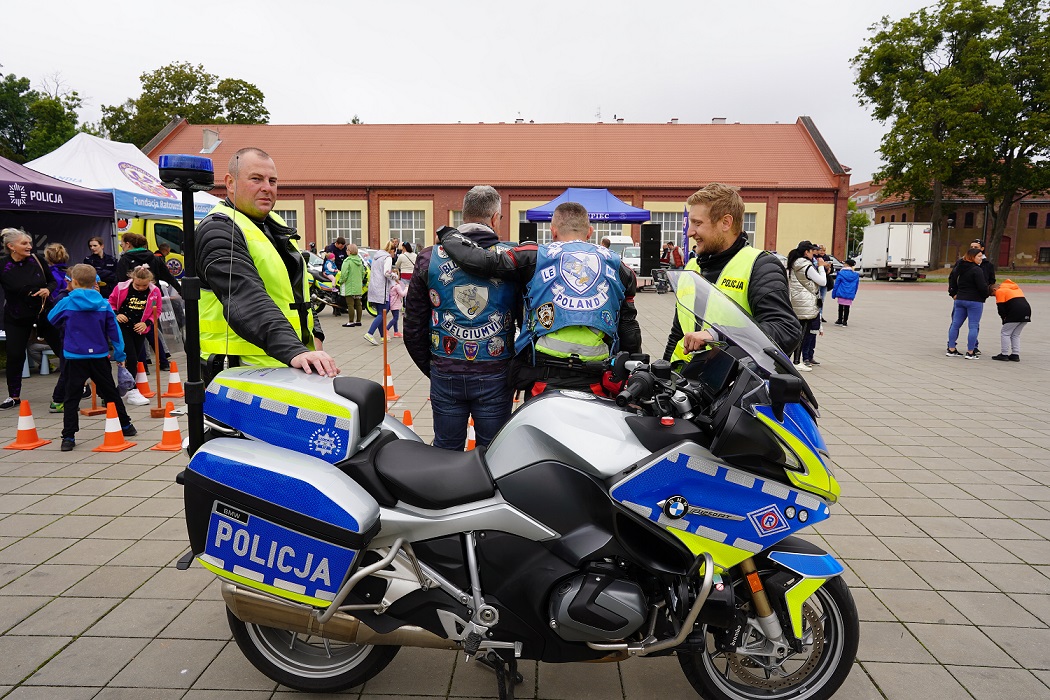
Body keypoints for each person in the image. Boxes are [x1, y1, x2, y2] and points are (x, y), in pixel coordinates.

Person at [440, 201, 641, 397]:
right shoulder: (620, 266)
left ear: (553, 231)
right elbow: (629, 329)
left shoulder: (535, 256)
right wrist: (634, 376)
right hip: (597, 376)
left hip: (544, 375)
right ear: (589, 232)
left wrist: (448, 235)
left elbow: (481, 262)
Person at [195, 147, 335, 377]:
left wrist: (315, 337)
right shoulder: (219, 231)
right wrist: (295, 350)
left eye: (272, 181)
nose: (267, 188)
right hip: (240, 372)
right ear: (230, 183)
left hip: (287, 365)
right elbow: (244, 296)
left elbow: (297, 294)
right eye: (256, 179)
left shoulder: (273, 226)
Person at [405, 185, 521, 449]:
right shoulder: (513, 258)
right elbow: (527, 322)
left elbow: (413, 326)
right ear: (494, 218)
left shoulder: (428, 258)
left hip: (445, 370)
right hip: (496, 371)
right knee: (493, 452)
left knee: (446, 452)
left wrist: (435, 367)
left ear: (464, 217)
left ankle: (446, 491)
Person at [664, 184, 800, 364]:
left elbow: (785, 329)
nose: (690, 232)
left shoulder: (760, 266)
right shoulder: (692, 266)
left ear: (726, 223)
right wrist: (663, 373)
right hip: (687, 384)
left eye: (698, 223)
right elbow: (678, 333)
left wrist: (716, 335)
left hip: (734, 387)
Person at [47, 264, 137, 451]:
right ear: (95, 282)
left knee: (72, 397)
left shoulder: (66, 302)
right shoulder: (104, 304)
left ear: (75, 282)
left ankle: (69, 437)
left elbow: (51, 319)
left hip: (74, 356)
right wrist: (120, 354)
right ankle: (126, 425)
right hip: (99, 355)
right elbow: (115, 332)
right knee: (110, 393)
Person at [0, 228, 67, 411]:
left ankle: (80, 385)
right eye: (24, 243)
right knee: (15, 355)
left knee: (62, 348)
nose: (29, 246)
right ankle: (14, 396)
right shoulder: (3, 265)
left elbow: (52, 282)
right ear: (11, 247)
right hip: (16, 316)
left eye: (30, 243)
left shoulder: (37, 261)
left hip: (44, 313)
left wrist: (48, 289)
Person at [109, 265, 161, 406]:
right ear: (132, 279)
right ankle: (132, 390)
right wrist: (117, 314)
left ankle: (122, 389)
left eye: (144, 285)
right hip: (122, 327)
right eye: (137, 285)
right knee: (130, 357)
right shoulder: (121, 288)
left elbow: (157, 311)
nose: (140, 288)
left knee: (136, 359)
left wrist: (147, 323)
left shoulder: (155, 292)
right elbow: (111, 303)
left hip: (140, 329)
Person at [949, 239, 996, 356]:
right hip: (974, 301)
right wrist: (986, 294)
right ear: (972, 257)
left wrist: (954, 293)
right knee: (973, 326)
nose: (981, 258)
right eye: (979, 256)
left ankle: (951, 349)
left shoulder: (960, 266)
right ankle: (971, 351)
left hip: (960, 299)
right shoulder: (977, 270)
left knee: (955, 324)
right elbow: (982, 286)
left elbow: (952, 278)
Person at [787, 241, 825, 371]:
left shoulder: (794, 263)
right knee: (801, 334)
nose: (814, 253)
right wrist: (821, 267)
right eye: (811, 251)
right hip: (806, 304)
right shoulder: (806, 265)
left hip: (797, 302)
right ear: (806, 252)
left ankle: (789, 360)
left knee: (797, 333)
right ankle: (797, 361)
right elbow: (822, 281)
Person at [115, 233, 182, 294]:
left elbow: (121, 281)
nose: (122, 248)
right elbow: (168, 277)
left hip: (132, 298)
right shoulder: (155, 258)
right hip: (154, 295)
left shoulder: (125, 260)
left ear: (128, 244)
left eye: (122, 245)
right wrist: (181, 291)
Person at [363, 240, 397, 346]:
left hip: (374, 287)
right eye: (394, 252)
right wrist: (395, 277)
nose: (394, 254)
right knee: (383, 312)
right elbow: (386, 273)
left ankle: (383, 336)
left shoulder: (377, 257)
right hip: (382, 288)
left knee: (380, 313)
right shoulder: (387, 258)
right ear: (391, 250)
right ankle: (370, 333)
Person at [992, 279, 1031, 362]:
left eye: (993, 294)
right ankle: (1015, 354)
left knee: (1005, 333)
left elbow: (1001, 308)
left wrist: (1004, 319)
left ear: (994, 290)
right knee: (1015, 334)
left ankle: (1004, 354)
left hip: (1015, 312)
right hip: (1026, 311)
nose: (995, 296)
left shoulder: (1000, 291)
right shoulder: (1016, 288)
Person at [338, 243, 366, 328]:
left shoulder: (347, 261)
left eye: (347, 250)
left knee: (350, 305)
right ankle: (358, 321)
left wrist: (341, 281)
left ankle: (351, 322)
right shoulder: (359, 261)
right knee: (358, 304)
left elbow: (344, 274)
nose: (346, 251)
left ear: (350, 251)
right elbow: (363, 273)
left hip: (349, 285)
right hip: (358, 285)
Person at [831, 258, 860, 326]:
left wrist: (834, 293)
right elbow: (856, 285)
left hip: (841, 291)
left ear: (846, 265)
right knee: (847, 306)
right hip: (850, 292)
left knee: (840, 306)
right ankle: (845, 321)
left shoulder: (841, 273)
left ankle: (840, 319)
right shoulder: (855, 275)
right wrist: (854, 293)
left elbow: (837, 284)